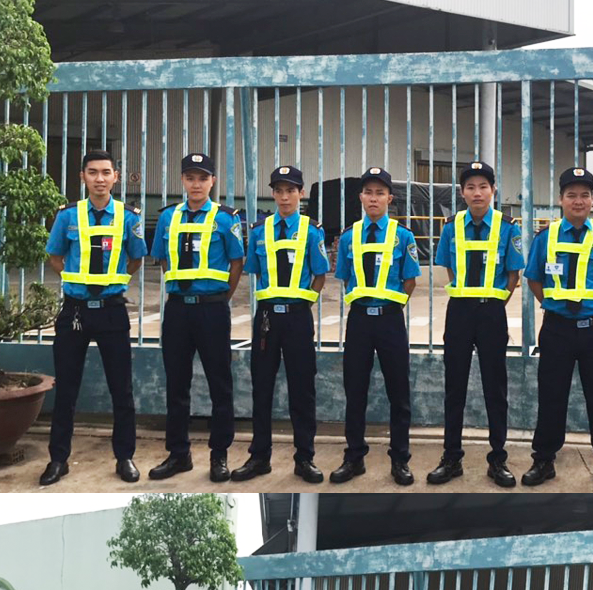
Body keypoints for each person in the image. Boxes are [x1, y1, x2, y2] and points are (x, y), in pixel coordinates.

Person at [521, 167, 593, 490]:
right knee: (551, 396)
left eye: (585, 195)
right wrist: (556, 307)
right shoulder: (545, 237)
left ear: (592, 200)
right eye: (571, 195)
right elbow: (534, 279)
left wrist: (591, 306)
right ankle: (544, 460)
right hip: (557, 330)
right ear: (561, 199)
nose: (579, 201)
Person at [41, 149, 147, 486]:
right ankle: (58, 459)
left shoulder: (129, 217)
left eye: (105, 172)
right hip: (75, 311)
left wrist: (112, 282)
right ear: (83, 177)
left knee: (121, 389)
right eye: (92, 172)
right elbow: (55, 256)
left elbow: (136, 259)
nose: (99, 179)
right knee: (66, 389)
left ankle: (124, 457)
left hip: (112, 311)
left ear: (116, 177)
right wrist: (76, 282)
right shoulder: (67, 216)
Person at [147, 152, 245, 485]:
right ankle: (179, 454)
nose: (196, 184)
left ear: (212, 181)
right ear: (182, 180)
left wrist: (221, 297)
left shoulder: (225, 218)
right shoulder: (167, 217)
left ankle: (219, 455)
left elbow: (237, 262)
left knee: (220, 385)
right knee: (176, 384)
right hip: (178, 309)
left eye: (203, 178)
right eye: (190, 178)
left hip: (212, 309)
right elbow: (162, 259)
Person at [426, 161, 525, 488]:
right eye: (470, 187)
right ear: (462, 192)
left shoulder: (508, 227)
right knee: (454, 387)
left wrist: (493, 303)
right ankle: (451, 458)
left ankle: (498, 460)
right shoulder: (451, 226)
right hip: (459, 312)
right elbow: (450, 269)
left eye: (483, 186)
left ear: (493, 190)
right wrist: (468, 298)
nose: (477, 193)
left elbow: (513, 275)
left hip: (492, 313)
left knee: (495, 388)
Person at [233, 164, 329, 485]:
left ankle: (305, 458)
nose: (285, 197)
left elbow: (320, 275)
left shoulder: (312, 231)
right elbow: (255, 271)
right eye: (279, 191)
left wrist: (304, 303)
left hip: (298, 318)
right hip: (267, 319)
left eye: (291, 191)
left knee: (302, 390)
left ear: (301, 194)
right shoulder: (260, 231)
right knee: (262, 388)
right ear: (273, 194)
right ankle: (259, 457)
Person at [330, 167, 421, 487]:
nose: (373, 198)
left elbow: (410, 280)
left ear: (389, 198)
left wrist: (391, 307)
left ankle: (400, 459)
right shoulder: (349, 236)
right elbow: (345, 278)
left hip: (390, 320)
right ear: (360, 197)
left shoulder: (403, 236)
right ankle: (354, 457)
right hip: (359, 321)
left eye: (379, 193)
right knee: (355, 391)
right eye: (368, 192)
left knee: (399, 393)